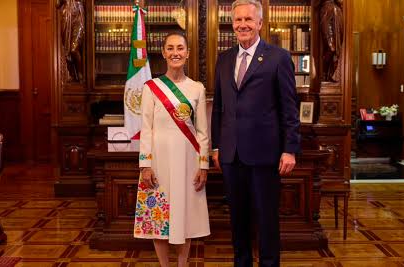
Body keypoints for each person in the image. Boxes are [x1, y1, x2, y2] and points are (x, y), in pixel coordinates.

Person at [211, 0, 300, 266]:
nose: (243, 25)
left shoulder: (278, 57)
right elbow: (219, 108)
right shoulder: (224, 59)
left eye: (248, 19)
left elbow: (289, 108)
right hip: (231, 155)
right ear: (232, 24)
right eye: (238, 20)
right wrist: (217, 147)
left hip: (265, 155)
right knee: (238, 219)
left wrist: (290, 149)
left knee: (266, 219)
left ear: (260, 23)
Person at [134, 33, 210, 267]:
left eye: (180, 48)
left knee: (184, 215)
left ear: (187, 53)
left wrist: (203, 165)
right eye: (170, 48)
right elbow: (146, 129)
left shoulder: (197, 88)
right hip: (158, 161)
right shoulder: (151, 88)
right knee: (159, 216)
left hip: (188, 161)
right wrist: (145, 165)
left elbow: (202, 132)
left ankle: (182, 264)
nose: (175, 52)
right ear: (164, 53)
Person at [57, 0, 85, 82]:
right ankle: (72, 74)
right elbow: (57, 4)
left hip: (78, 17)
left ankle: (80, 73)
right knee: (66, 51)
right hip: (66, 18)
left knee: (74, 49)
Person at [320, 0, 344, 82]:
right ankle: (324, 74)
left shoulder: (337, 9)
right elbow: (325, 27)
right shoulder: (327, 7)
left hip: (336, 12)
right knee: (331, 49)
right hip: (328, 10)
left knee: (336, 50)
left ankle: (330, 75)